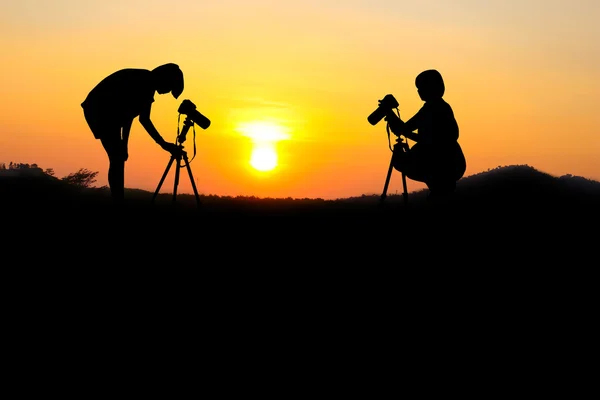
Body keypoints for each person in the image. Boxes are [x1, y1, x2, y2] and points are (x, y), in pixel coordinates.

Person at [81, 63, 184, 204]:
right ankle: (118, 200)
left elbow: (140, 118)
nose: (166, 92)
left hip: (108, 111)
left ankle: (118, 199)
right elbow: (128, 115)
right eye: (169, 88)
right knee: (117, 156)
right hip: (100, 108)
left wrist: (163, 144)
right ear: (164, 78)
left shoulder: (148, 83)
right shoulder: (143, 82)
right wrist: (125, 144)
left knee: (118, 157)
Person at [384, 69, 466, 201]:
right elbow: (408, 129)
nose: (419, 91)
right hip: (450, 162)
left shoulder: (435, 108)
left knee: (402, 162)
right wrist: (396, 122)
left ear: (431, 88)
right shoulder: (433, 107)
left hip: (442, 163)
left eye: (421, 88)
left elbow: (431, 140)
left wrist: (396, 123)